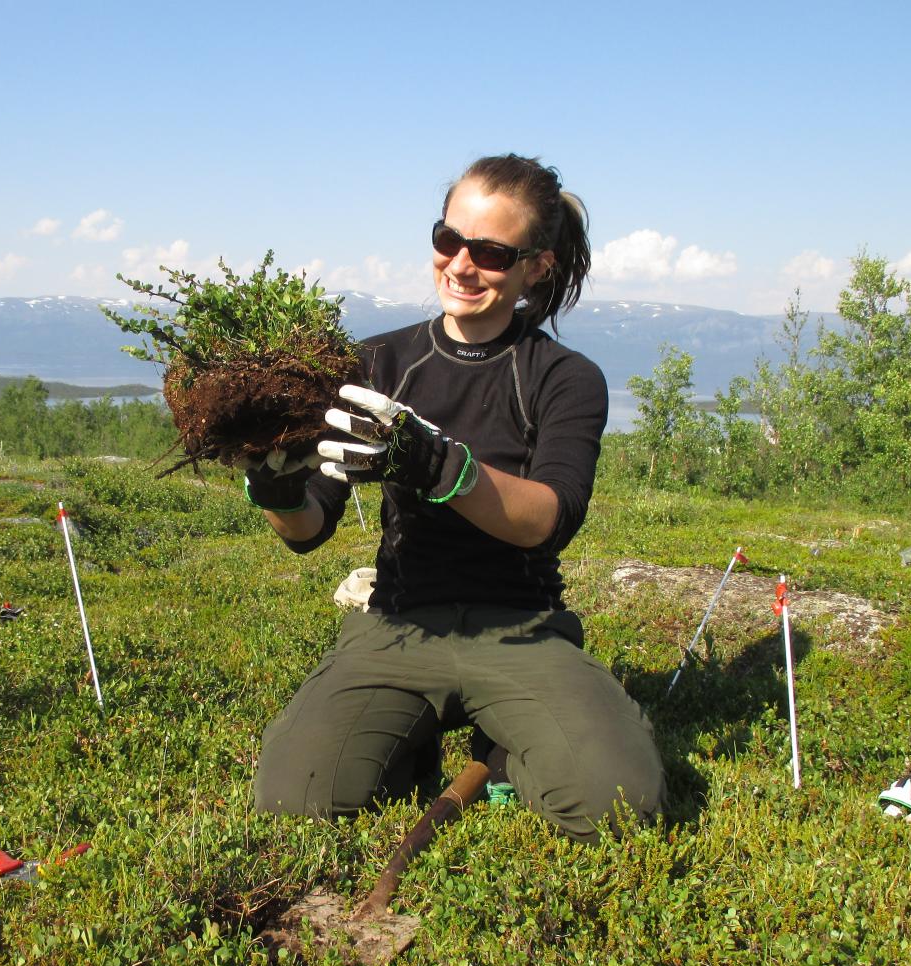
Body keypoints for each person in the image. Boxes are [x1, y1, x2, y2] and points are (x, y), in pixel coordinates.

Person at [247, 153, 665, 842]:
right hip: (398, 624)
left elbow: (548, 520)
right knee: (296, 801)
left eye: (492, 253)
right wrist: (274, 480)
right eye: (449, 240)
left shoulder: (565, 378)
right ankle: (417, 738)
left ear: (538, 266)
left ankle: (503, 751)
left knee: (616, 806)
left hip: (520, 628)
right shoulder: (377, 363)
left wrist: (438, 464)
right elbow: (306, 527)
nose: (461, 266)